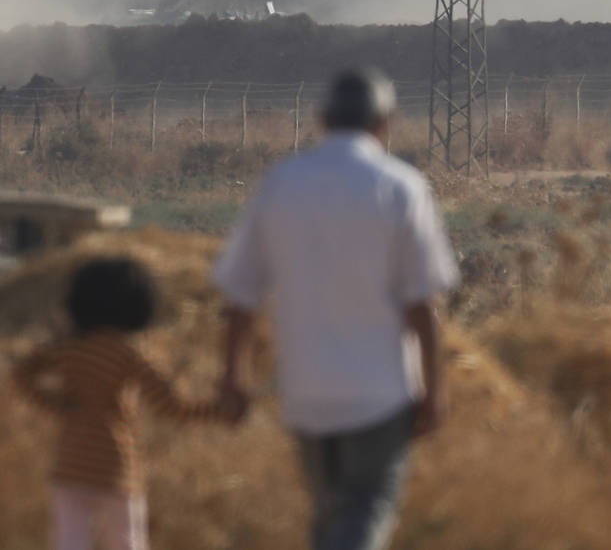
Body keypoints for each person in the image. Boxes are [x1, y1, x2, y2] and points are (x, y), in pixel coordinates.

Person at [214, 67, 459, 550]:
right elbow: (422, 306)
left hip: (305, 394)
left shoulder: (281, 184)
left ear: (321, 119)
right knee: (365, 513)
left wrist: (232, 379)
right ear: (385, 123)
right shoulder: (401, 188)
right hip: (380, 397)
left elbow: (240, 297)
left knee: (330, 519)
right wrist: (434, 390)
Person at [12, 255, 242, 550]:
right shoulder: (130, 355)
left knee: (70, 541)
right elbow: (171, 407)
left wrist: (54, 405)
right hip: (114, 470)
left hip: (69, 466)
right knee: (126, 543)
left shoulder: (67, 348)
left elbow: (20, 373)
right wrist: (220, 411)